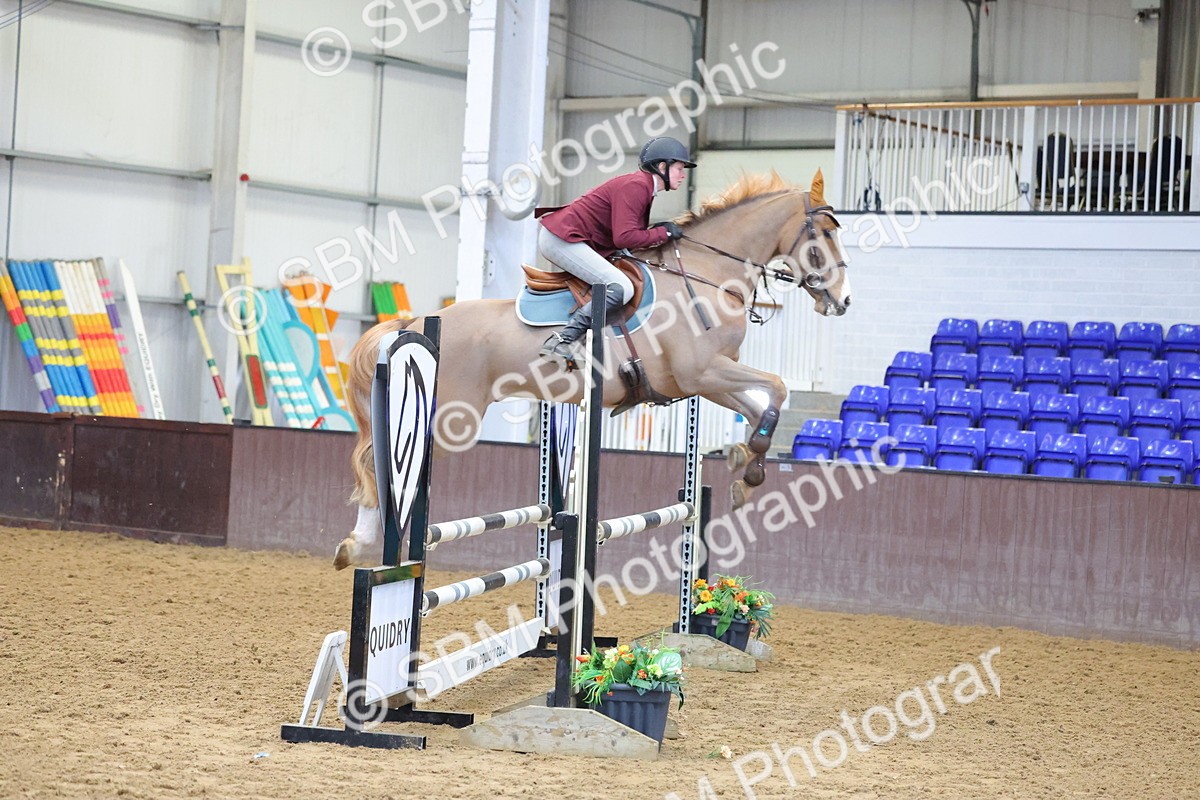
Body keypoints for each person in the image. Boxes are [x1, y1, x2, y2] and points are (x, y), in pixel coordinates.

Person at [536, 136, 696, 367]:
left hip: (575, 239)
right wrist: (664, 234)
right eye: (680, 168)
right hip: (561, 239)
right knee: (620, 286)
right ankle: (562, 339)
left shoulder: (643, 187)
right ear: (662, 167)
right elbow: (625, 238)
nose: (683, 175)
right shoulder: (637, 186)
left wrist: (657, 230)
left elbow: (626, 237)